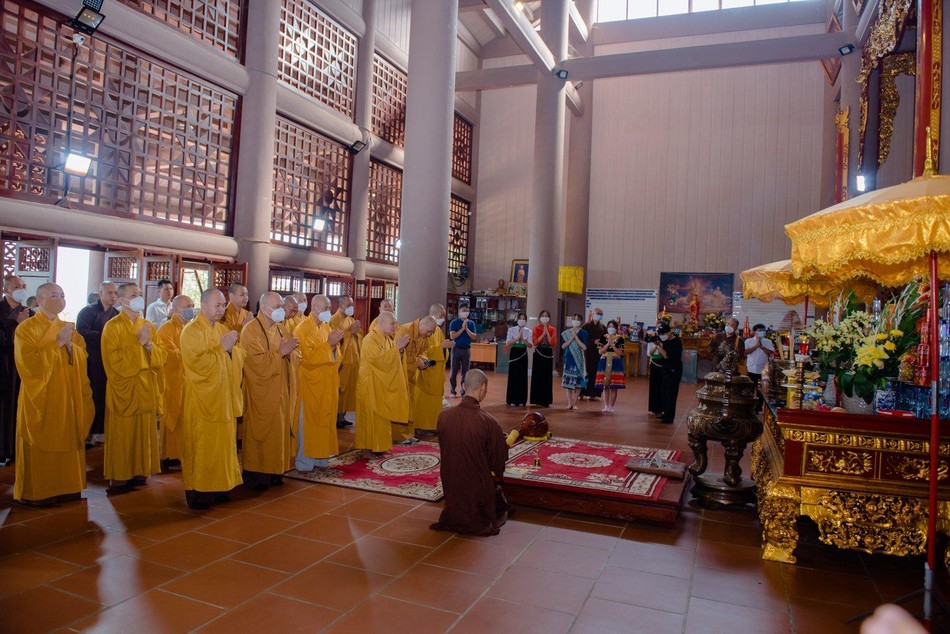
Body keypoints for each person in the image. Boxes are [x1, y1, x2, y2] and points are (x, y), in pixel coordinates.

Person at [14, 283, 94, 505]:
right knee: (41, 436)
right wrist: (56, 344)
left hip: (67, 393)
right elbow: (28, 365)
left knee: (67, 432)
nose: (59, 299)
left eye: (62, 295)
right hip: (40, 395)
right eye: (54, 295)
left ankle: (69, 486)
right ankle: (39, 492)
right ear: (40, 300)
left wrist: (70, 347)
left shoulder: (68, 328)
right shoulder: (26, 329)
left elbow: (82, 355)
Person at [180, 288, 246, 510]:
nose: (221, 309)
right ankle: (199, 491)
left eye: (223, 305)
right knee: (202, 446)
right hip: (202, 399)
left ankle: (220, 486)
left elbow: (237, 356)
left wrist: (231, 351)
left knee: (222, 446)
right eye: (217, 305)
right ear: (204, 305)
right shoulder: (190, 331)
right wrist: (222, 350)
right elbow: (196, 365)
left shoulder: (222, 329)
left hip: (223, 399)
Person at [430, 370, 509, 536]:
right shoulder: (489, 422)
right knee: (503, 505)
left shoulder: (443, 416)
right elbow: (498, 462)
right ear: (483, 387)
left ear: (465, 386)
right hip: (476, 492)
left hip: (451, 489)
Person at [101, 284, 165, 487]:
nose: (139, 297)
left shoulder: (147, 325)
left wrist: (148, 345)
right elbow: (113, 360)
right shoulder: (112, 326)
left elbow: (162, 355)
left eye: (140, 294)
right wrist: (138, 344)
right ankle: (120, 475)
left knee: (143, 431)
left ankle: (140, 470)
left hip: (145, 386)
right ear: (122, 300)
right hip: (124, 386)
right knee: (123, 432)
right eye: (133, 295)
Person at [239, 292, 300, 488]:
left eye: (282, 306)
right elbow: (254, 362)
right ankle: (257, 474)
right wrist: (279, 354)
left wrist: (289, 354)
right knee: (260, 433)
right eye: (277, 306)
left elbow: (296, 352)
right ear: (264, 308)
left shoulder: (281, 329)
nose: (281, 310)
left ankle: (276, 470)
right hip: (260, 392)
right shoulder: (250, 330)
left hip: (280, 390)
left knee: (278, 432)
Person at [294, 295, 342, 471]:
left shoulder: (326, 327)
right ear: (314, 308)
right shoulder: (302, 329)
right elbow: (306, 358)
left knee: (324, 422)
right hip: (310, 384)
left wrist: (334, 347)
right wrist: (328, 345)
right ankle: (304, 462)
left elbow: (336, 356)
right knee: (309, 424)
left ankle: (321, 458)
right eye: (325, 308)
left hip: (325, 384)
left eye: (330, 308)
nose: (329, 311)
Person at [355, 311, 410, 455]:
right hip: (370, 383)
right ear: (382, 323)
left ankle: (380, 446)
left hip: (381, 382)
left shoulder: (387, 339)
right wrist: (396, 349)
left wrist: (399, 350)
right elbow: (378, 360)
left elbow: (391, 358)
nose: (395, 326)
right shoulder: (370, 339)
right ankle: (367, 447)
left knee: (382, 415)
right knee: (370, 416)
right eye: (392, 323)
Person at [77, 281, 119, 445]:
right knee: (95, 393)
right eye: (109, 292)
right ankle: (92, 431)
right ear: (100, 294)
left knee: (108, 393)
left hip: (111, 359)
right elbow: (82, 333)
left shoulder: (116, 314)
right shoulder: (88, 312)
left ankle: (105, 429)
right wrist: (106, 337)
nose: (113, 296)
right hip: (93, 359)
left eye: (115, 293)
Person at [156, 295, 195, 468]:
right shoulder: (167, 328)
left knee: (186, 418)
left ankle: (183, 453)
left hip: (188, 380)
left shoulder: (190, 328)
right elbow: (167, 354)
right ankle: (170, 456)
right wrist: (190, 353)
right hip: (172, 380)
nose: (191, 309)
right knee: (173, 416)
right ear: (176, 309)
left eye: (192, 305)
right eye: (187, 306)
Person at [0, 274, 32, 464]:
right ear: (6, 289)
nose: (22, 289)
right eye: (17, 286)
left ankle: (17, 449)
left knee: (20, 407)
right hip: (3, 367)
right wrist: (15, 325)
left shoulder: (29, 313)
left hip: (22, 369)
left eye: (24, 285)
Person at [412, 304, 453, 435]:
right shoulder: (425, 329)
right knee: (424, 401)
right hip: (427, 371)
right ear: (433, 314)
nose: (443, 318)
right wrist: (441, 347)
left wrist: (445, 347)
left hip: (437, 372)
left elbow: (440, 348)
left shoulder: (438, 330)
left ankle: (432, 425)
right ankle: (421, 426)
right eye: (441, 315)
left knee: (435, 402)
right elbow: (423, 351)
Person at [330, 295, 361, 428]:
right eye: (349, 304)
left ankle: (342, 416)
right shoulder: (334, 319)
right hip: (342, 362)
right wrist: (349, 332)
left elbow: (358, 336)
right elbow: (334, 339)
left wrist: (355, 333)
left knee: (348, 390)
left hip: (352, 361)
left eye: (352, 304)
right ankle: (336, 417)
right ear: (341, 304)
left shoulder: (350, 319)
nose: (351, 307)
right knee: (340, 389)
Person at [653, 322, 683, 424]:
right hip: (666, 369)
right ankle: (665, 413)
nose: (662, 336)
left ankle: (670, 417)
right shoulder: (665, 341)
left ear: (669, 332)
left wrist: (658, 347)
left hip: (674, 369)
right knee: (664, 393)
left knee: (671, 394)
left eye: (663, 333)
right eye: (660, 334)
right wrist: (659, 344)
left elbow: (666, 355)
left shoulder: (676, 341)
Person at [595, 320, 625, 412]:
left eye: (613, 327)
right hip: (604, 361)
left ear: (616, 328)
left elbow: (620, 353)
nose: (611, 328)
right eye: (609, 327)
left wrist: (613, 345)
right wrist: (608, 344)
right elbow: (600, 351)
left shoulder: (620, 339)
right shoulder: (603, 337)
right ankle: (606, 405)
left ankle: (611, 406)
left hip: (615, 361)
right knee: (605, 386)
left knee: (614, 386)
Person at [561, 313, 589, 410]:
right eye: (574, 319)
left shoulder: (584, 333)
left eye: (578, 319)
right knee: (568, 384)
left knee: (578, 384)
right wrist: (572, 338)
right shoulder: (566, 333)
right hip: (569, 360)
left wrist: (576, 338)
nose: (575, 321)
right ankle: (570, 403)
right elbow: (563, 346)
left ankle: (575, 403)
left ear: (580, 321)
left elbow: (584, 347)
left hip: (579, 361)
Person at [745, 323, 775, 413]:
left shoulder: (768, 342)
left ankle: (758, 408)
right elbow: (745, 352)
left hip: (762, 370)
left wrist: (761, 347)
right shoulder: (749, 341)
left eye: (763, 331)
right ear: (754, 332)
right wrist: (756, 346)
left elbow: (770, 353)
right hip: (751, 368)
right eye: (759, 330)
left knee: (761, 390)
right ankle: (748, 408)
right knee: (749, 389)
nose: (762, 332)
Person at [504, 312, 532, 406]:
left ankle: (521, 400)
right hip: (514, 353)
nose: (522, 320)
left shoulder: (528, 331)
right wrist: (517, 338)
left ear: (526, 321)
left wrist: (523, 339)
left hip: (523, 353)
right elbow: (508, 343)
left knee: (522, 376)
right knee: (513, 376)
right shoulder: (511, 329)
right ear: (517, 320)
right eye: (520, 318)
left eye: (524, 319)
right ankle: (512, 399)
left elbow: (530, 345)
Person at [448, 304, 476, 397]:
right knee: (454, 371)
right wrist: (462, 329)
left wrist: (466, 328)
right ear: (459, 311)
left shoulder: (471, 323)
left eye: (467, 310)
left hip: (466, 349)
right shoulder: (454, 322)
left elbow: (474, 337)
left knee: (466, 372)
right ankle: (452, 391)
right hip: (456, 349)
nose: (465, 312)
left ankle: (463, 391)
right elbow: (453, 336)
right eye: (463, 310)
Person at [530, 310, 556, 407]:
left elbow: (553, 343)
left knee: (547, 377)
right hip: (539, 352)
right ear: (540, 317)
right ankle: (537, 399)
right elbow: (535, 342)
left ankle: (546, 400)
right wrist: (542, 333)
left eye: (546, 316)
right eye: (543, 316)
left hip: (548, 353)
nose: (545, 317)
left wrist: (547, 333)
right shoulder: (535, 328)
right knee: (538, 376)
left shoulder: (552, 329)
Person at [580, 308, 607, 400]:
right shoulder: (586, 326)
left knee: (596, 372)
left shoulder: (603, 327)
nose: (598, 315)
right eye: (597, 313)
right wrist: (593, 341)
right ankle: (582, 392)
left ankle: (594, 394)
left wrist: (601, 342)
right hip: (588, 352)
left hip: (598, 353)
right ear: (593, 314)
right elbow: (582, 338)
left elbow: (605, 339)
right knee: (586, 371)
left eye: (600, 314)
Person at [646, 326, 664, 416]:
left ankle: (661, 408)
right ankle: (652, 408)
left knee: (662, 387)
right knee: (653, 386)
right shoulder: (651, 340)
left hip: (663, 363)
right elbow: (649, 353)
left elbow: (664, 353)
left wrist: (660, 345)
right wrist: (656, 345)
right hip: (654, 363)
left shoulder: (664, 340)